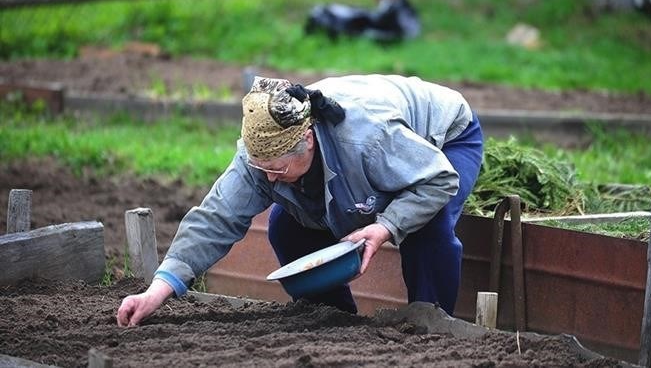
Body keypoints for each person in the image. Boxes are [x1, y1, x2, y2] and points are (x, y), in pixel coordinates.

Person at [116, 74, 483, 326]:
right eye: (262, 169)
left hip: (443, 135)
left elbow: (437, 179)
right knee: (284, 226)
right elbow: (215, 218)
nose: (270, 178)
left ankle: (429, 325)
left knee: (425, 225)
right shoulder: (259, 161)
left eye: (278, 168)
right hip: (374, 149)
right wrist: (157, 290)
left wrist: (386, 226)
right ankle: (334, 319)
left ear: (308, 139)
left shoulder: (367, 139)